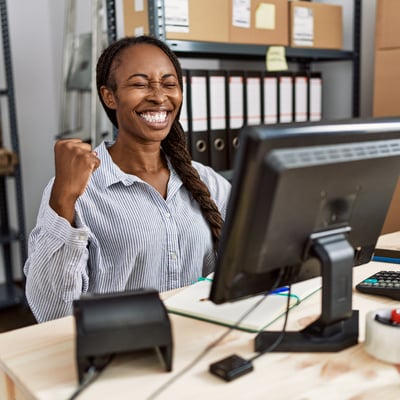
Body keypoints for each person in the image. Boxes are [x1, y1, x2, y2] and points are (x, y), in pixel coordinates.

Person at [24, 35, 231, 323]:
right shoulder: (81, 190)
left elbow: (243, 275)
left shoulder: (208, 181)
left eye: (169, 84)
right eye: (139, 83)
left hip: (196, 345)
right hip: (117, 353)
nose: (159, 96)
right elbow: (52, 314)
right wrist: (63, 198)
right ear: (110, 96)